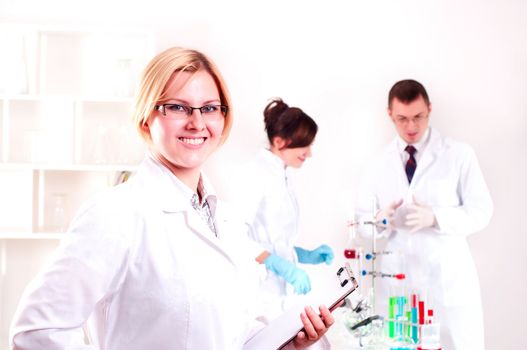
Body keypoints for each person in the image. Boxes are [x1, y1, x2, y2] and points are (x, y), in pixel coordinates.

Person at [9, 47, 335, 350]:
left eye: (209, 108)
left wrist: (287, 344)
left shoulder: (224, 221)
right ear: (145, 118)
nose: (197, 123)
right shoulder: (115, 214)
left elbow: (230, 333)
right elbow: (36, 333)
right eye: (177, 107)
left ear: (223, 118)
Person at [355, 79, 493, 349]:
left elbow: (481, 211)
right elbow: (361, 225)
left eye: (418, 117)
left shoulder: (459, 155)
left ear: (429, 109)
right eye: (402, 119)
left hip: (446, 286)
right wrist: (379, 222)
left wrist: (437, 217)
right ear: (389, 115)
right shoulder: (377, 165)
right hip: (397, 289)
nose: (411, 127)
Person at [229, 98, 334, 319]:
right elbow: (235, 238)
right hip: (260, 295)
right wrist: (280, 266)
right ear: (278, 141)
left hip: (281, 294)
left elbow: (273, 239)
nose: (309, 153)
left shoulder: (281, 174)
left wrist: (304, 255)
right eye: (303, 144)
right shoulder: (255, 174)